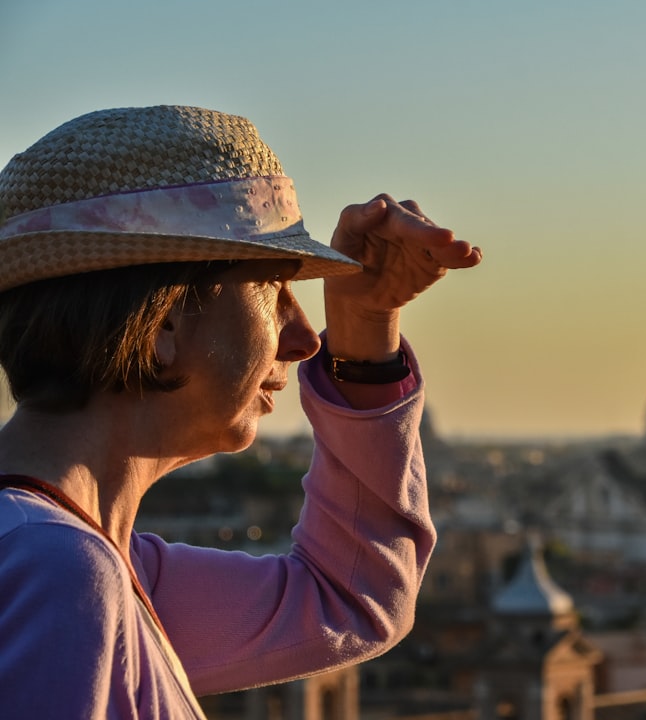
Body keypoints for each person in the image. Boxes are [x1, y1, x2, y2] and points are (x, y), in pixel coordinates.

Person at [0, 105, 482, 718]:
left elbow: (350, 601)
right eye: (274, 289)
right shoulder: (55, 573)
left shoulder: (79, 561)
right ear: (164, 323)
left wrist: (364, 326)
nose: (306, 338)